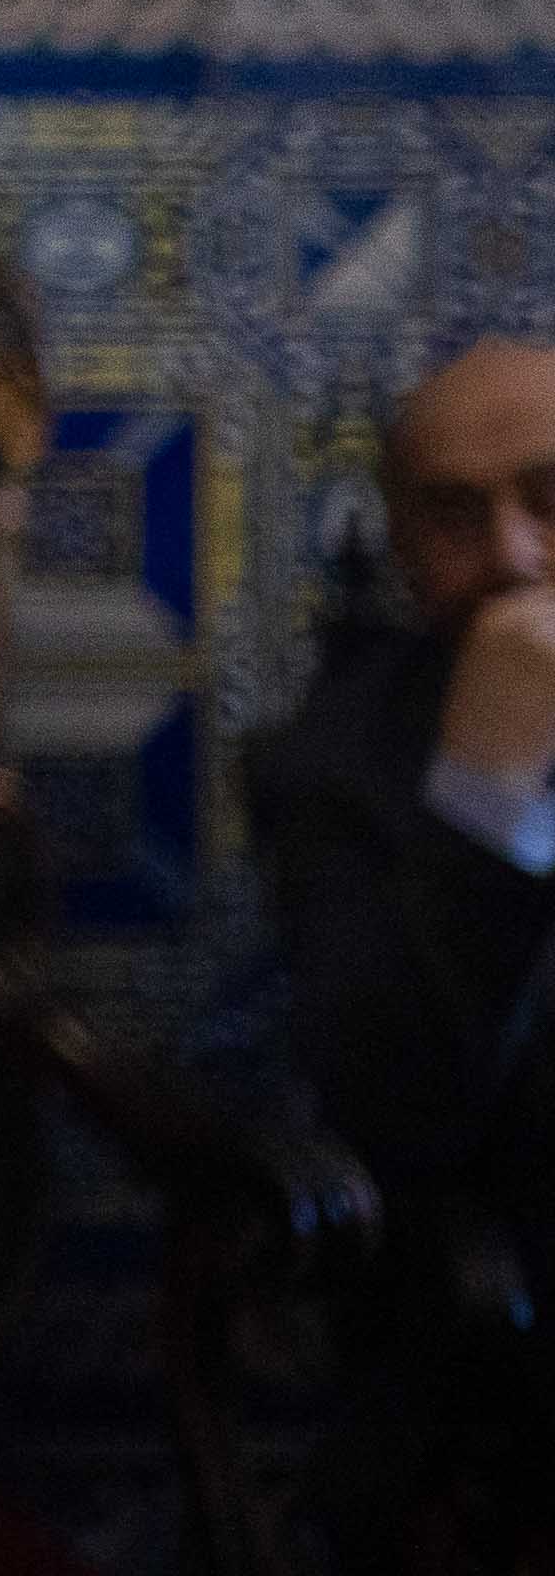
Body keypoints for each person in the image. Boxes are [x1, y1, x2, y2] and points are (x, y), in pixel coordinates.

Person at [251, 337, 555, 1568]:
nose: (515, 556)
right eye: (454, 517)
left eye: (552, 497)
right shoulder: (329, 770)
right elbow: (398, 1111)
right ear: (399, 546)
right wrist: (489, 794)